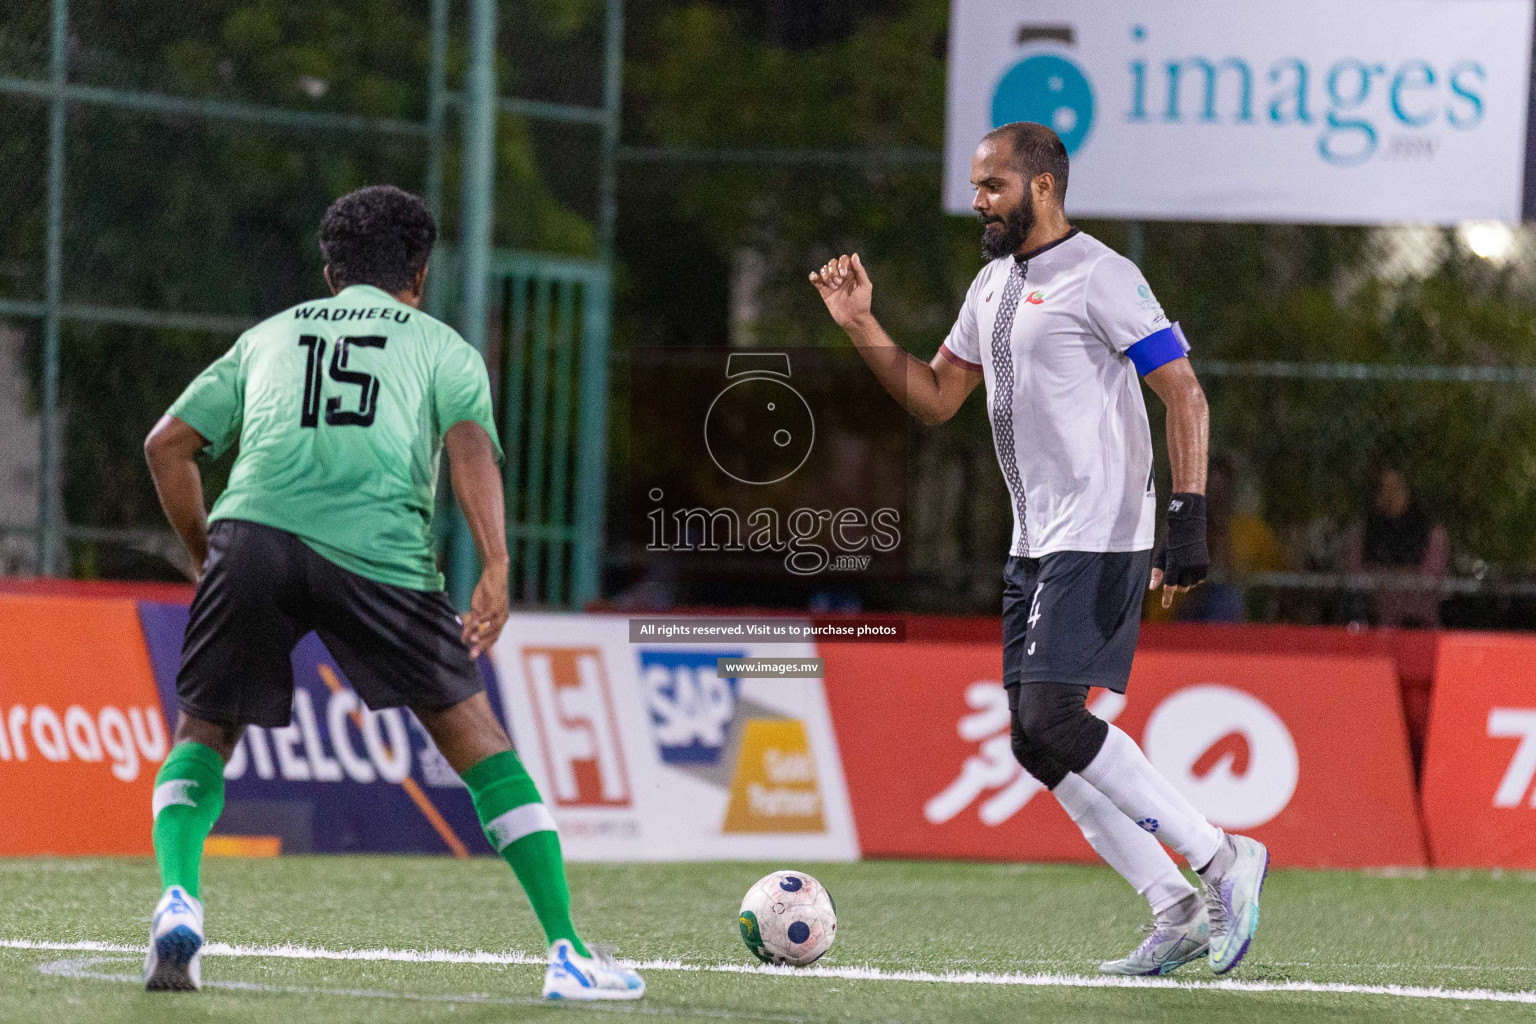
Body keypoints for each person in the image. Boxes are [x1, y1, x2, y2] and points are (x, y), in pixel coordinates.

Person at [141, 185, 643, 1001]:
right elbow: (470, 443)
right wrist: (496, 562)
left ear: (330, 270)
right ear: (420, 273)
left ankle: (177, 898)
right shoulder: (442, 346)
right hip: (377, 553)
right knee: (477, 742)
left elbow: (168, 446)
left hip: (251, 538)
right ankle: (568, 953)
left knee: (203, 730)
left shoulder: (266, 337)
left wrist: (209, 557)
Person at [809, 123, 1268, 977]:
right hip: (1038, 541)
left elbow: (1185, 393)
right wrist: (861, 323)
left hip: (1101, 532)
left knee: (1051, 716)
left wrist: (1190, 517)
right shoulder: (990, 288)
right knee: (1032, 738)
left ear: (1043, 188)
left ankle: (1219, 860)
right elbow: (938, 399)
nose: (979, 201)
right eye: (978, 187)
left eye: (993, 186)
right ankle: (1174, 909)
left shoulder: (1105, 275)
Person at [1346, 467, 1448, 628]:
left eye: (1396, 487)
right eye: (1384, 488)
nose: (1390, 494)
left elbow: (1432, 576)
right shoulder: (1365, 533)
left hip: (1418, 626)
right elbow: (1355, 573)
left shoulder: (1431, 532)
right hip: (1376, 626)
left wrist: (1395, 579)